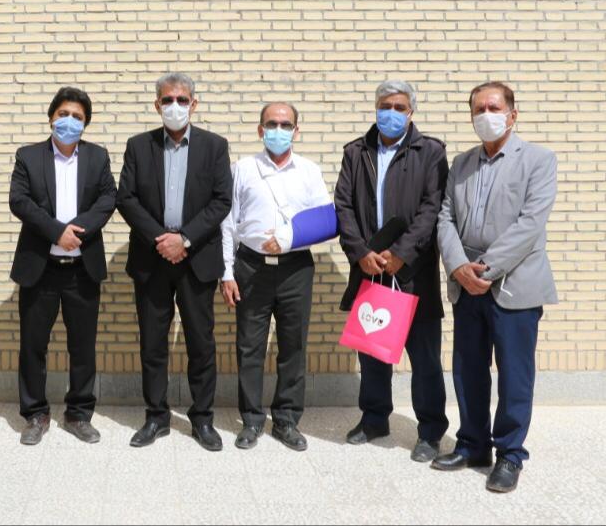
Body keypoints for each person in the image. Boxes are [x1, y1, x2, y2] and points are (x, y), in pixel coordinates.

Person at [433, 82, 557, 493]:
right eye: (479, 109)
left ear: (512, 114)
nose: (486, 114)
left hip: (514, 285)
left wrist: (484, 269)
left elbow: (530, 224)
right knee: (468, 369)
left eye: (494, 107)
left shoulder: (538, 160)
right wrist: (458, 267)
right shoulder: (461, 163)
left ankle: (510, 454)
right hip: (466, 284)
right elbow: (446, 218)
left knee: (514, 375)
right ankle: (472, 444)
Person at [334, 81, 450, 462]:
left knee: (425, 359)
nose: (392, 113)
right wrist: (360, 253)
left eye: (400, 107)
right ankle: (374, 419)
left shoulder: (430, 152)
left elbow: (432, 208)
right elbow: (343, 207)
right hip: (370, 269)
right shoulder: (356, 152)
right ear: (376, 108)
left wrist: (401, 252)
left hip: (414, 273)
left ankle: (430, 431)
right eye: (385, 105)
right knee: (372, 352)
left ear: (411, 112)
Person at [116, 73, 233, 452]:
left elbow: (222, 200)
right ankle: (156, 416)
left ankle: (202, 418)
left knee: (201, 342)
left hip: (196, 258)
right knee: (153, 343)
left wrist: (183, 239)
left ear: (193, 104)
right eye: (167, 100)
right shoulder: (138, 146)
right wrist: (161, 239)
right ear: (157, 105)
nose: (175, 107)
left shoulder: (215, 146)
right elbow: (126, 198)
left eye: (182, 100)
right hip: (152, 260)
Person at [220, 102, 332, 452]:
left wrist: (286, 239)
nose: (278, 130)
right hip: (251, 266)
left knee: (293, 346)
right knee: (249, 346)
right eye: (271, 124)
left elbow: (325, 220)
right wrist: (227, 272)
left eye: (285, 125)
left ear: (296, 131)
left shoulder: (309, 171)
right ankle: (252, 420)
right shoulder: (243, 169)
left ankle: (286, 420)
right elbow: (228, 224)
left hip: (295, 268)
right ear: (260, 130)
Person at [9, 87, 117, 446]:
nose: (69, 121)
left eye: (77, 117)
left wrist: (77, 232)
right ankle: (35, 414)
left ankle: (79, 413)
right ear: (51, 117)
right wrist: (57, 232)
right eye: (63, 114)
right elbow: (19, 200)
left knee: (82, 346)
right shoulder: (28, 156)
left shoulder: (97, 157)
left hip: (82, 269)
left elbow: (108, 199)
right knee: (33, 346)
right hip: (40, 269)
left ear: (85, 123)